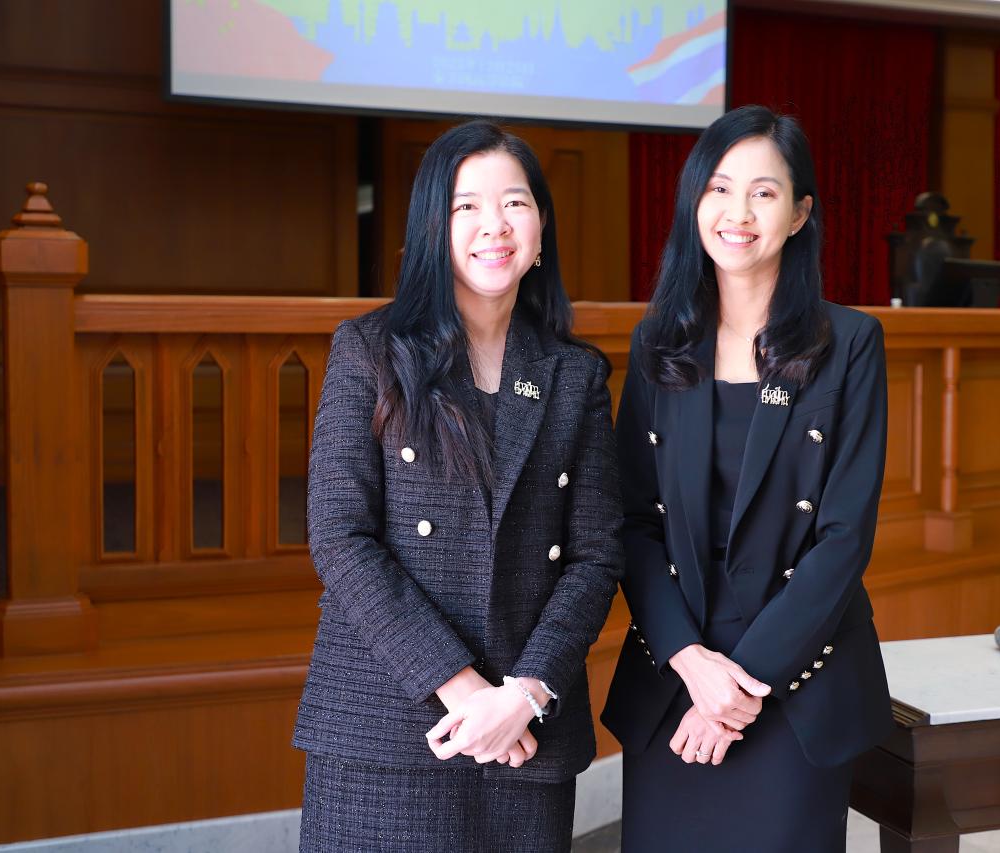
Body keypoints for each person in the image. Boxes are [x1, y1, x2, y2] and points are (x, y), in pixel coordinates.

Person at [293, 120, 622, 853]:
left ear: (541, 228)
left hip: (526, 736)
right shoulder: (371, 350)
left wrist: (525, 692)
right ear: (432, 229)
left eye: (515, 203)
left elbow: (596, 555)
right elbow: (340, 536)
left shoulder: (576, 374)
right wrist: (464, 688)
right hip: (389, 728)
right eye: (466, 206)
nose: (493, 225)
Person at [602, 105, 893, 852]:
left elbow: (844, 536)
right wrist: (690, 663)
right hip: (676, 672)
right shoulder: (659, 342)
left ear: (799, 214)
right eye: (720, 189)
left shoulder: (849, 342)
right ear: (694, 203)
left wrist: (739, 687)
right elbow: (632, 520)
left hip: (794, 678)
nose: (738, 213)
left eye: (764, 193)